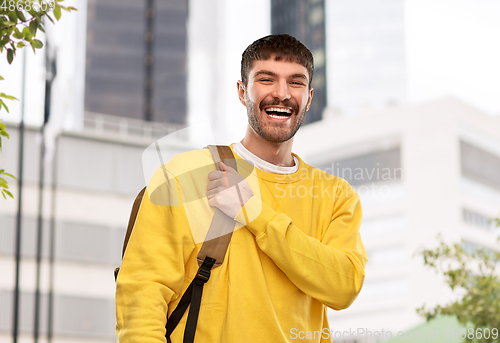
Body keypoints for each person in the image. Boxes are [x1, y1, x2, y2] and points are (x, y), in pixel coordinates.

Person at [115, 34, 367, 343]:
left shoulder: (336, 195)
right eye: (266, 79)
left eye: (296, 82)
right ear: (242, 91)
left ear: (310, 98)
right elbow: (142, 291)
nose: (282, 93)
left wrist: (255, 212)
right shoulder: (185, 175)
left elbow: (343, 287)